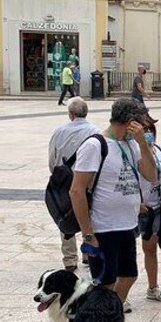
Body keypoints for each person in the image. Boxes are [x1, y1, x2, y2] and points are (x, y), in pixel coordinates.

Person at [71, 98, 157, 322]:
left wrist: (143, 143)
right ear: (130, 120)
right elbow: (76, 191)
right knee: (105, 283)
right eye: (142, 121)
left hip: (126, 226)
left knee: (129, 275)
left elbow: (151, 176)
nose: (145, 125)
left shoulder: (131, 144)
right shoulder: (95, 145)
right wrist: (88, 233)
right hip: (102, 228)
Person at [48, 96, 102, 271]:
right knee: (88, 215)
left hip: (63, 180)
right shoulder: (96, 131)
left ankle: (70, 259)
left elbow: (52, 157)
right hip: (88, 181)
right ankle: (88, 252)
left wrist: (56, 175)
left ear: (71, 114)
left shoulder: (59, 131)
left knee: (65, 216)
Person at [138, 117, 161, 303]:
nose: (148, 132)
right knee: (124, 251)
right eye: (144, 128)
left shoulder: (159, 150)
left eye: (150, 128)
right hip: (136, 209)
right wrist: (136, 204)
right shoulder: (132, 151)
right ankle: (119, 294)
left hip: (156, 207)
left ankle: (153, 288)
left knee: (151, 249)